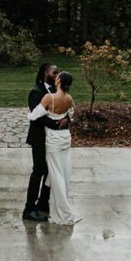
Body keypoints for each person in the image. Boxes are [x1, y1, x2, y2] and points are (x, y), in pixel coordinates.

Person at [28, 71, 81, 225]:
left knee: (55, 175)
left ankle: (63, 211)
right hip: (65, 138)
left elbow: (35, 115)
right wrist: (65, 120)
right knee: (63, 172)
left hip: (53, 141)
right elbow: (71, 114)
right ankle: (51, 204)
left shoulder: (49, 98)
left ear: (58, 81)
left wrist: (28, 114)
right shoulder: (69, 98)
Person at [23, 63, 68, 221]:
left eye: (58, 72)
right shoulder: (35, 92)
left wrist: (66, 119)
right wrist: (57, 124)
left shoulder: (57, 91)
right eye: (54, 72)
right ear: (45, 72)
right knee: (38, 171)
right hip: (39, 138)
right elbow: (39, 117)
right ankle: (28, 209)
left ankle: (43, 202)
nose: (57, 75)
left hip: (53, 140)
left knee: (51, 171)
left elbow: (66, 108)